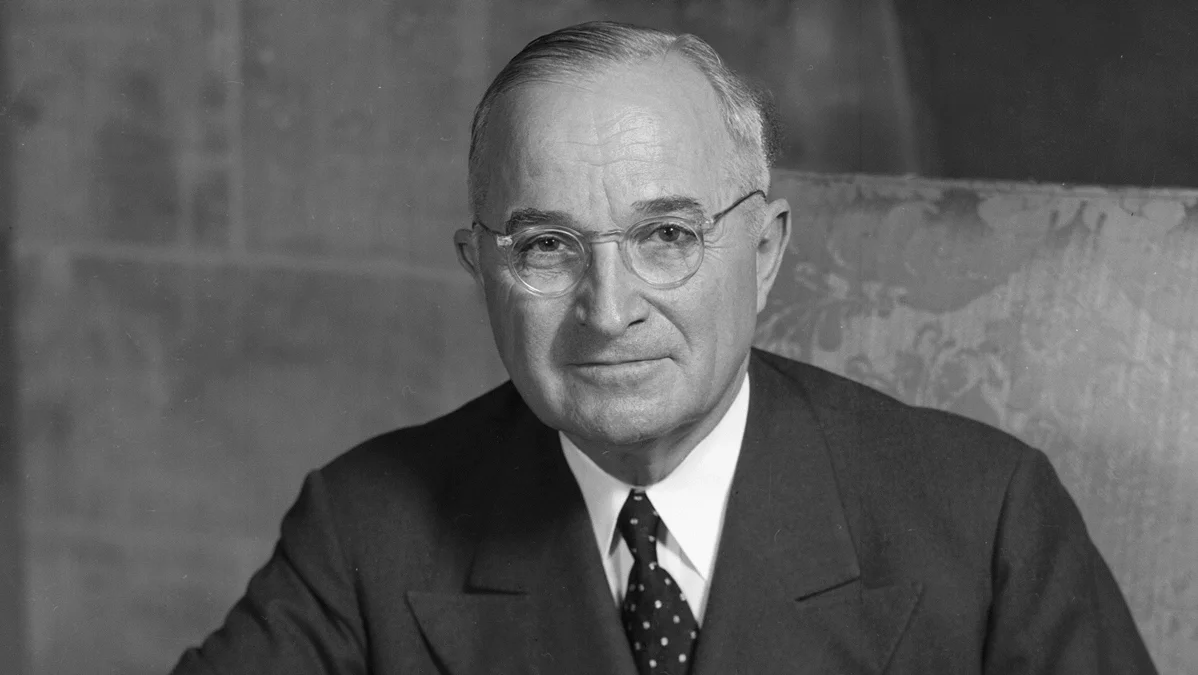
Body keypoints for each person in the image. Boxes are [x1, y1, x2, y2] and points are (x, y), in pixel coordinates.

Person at [171, 21, 1157, 675]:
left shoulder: (984, 516)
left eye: (667, 236)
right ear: (481, 269)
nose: (609, 311)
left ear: (763, 254)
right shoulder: (365, 528)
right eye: (547, 246)